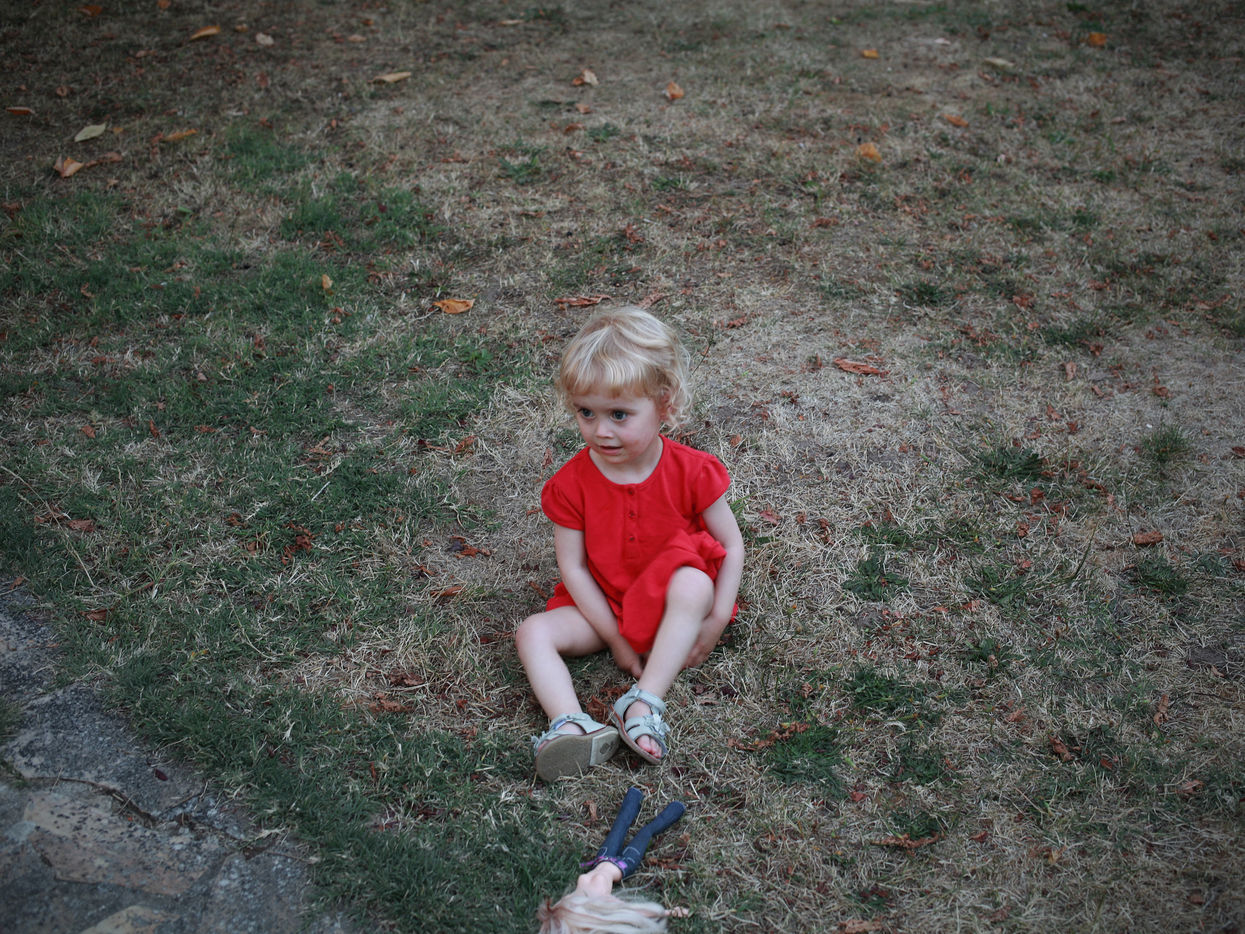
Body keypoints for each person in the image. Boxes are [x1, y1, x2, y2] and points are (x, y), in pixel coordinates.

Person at [516, 306, 745, 781]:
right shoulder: (571, 484)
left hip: (671, 604)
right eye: (586, 412)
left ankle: (643, 703)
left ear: (664, 404)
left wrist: (718, 618)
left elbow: (731, 544)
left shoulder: (692, 470)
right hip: (602, 608)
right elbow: (574, 569)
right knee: (532, 633)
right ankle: (569, 724)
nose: (601, 430)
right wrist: (617, 640)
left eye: (619, 415)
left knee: (695, 583)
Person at [537, 787, 690, 933]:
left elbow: (550, 919)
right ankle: (677, 809)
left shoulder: (567, 904)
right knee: (646, 832)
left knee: (620, 825)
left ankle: (634, 794)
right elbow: (634, 911)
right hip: (623, 864)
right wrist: (669, 912)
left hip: (602, 858)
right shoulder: (601, 904)